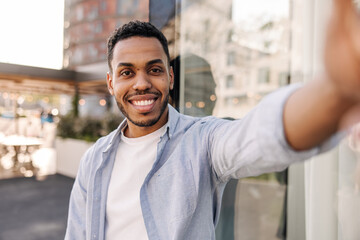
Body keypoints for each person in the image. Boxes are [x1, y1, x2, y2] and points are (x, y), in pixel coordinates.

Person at [65, 0, 360, 239]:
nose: (141, 83)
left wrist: (335, 93)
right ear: (110, 82)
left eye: (154, 69)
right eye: (127, 72)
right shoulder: (95, 159)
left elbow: (259, 136)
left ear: (170, 76)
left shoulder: (202, 140)